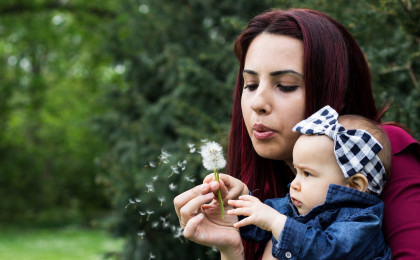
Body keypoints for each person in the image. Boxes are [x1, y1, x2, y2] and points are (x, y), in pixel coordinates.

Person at [173, 8, 420, 260]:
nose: (258, 102)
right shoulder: (278, 191)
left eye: (286, 86)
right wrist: (230, 248)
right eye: (250, 84)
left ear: (337, 90)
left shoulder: (375, 152)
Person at [227, 105, 392, 259]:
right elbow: (258, 223)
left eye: (307, 173)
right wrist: (237, 204)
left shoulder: (362, 222)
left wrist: (277, 223)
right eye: (296, 172)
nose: (294, 184)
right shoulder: (296, 207)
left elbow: (327, 250)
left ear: (355, 185)